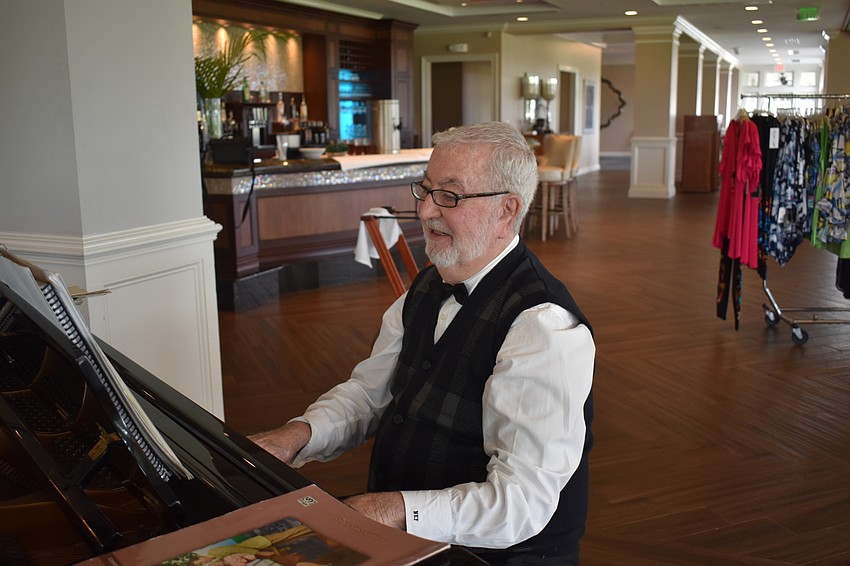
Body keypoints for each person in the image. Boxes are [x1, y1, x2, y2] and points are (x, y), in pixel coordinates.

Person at [250, 121, 595, 565]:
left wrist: (390, 509)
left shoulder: (543, 327)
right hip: (406, 534)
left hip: (494, 555)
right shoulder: (428, 285)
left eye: (450, 196)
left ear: (508, 211)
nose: (427, 211)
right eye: (426, 189)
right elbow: (370, 394)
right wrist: (296, 435)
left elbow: (520, 505)